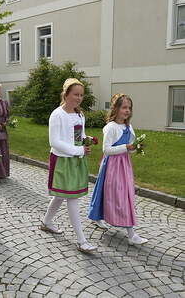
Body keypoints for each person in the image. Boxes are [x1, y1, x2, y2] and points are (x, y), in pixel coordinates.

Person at [40, 78, 97, 253]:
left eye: (81, 95)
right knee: (72, 197)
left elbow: (79, 135)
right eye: (75, 94)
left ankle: (46, 222)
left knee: (61, 195)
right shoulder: (57, 114)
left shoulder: (79, 114)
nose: (79, 98)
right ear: (66, 94)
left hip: (76, 159)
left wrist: (86, 142)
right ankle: (81, 241)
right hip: (62, 160)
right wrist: (77, 150)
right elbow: (54, 141)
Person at [88, 93, 148, 245]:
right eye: (124, 107)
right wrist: (125, 147)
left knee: (122, 194)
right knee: (116, 195)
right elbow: (106, 150)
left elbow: (129, 149)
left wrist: (135, 148)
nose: (127, 111)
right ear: (116, 109)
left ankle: (97, 217)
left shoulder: (129, 127)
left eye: (129, 108)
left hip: (124, 165)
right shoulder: (111, 127)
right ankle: (131, 234)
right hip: (112, 166)